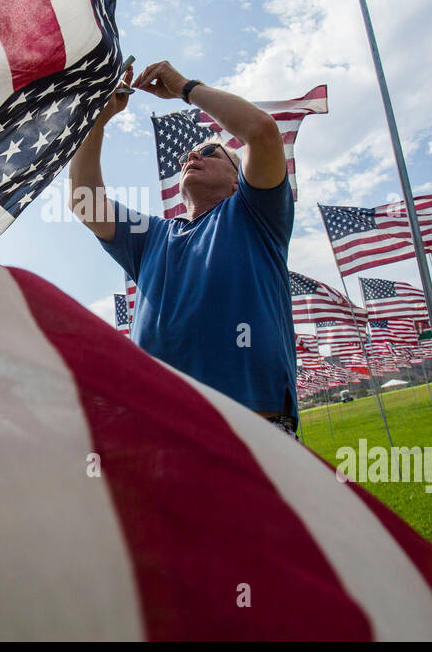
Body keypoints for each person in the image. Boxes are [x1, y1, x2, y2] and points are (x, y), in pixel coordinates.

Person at [68, 60, 299, 436]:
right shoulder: (152, 237)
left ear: (238, 180)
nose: (191, 156)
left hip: (254, 433)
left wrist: (183, 88)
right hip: (160, 438)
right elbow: (83, 202)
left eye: (209, 153)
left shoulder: (254, 216)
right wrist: (97, 122)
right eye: (185, 158)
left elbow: (261, 131)